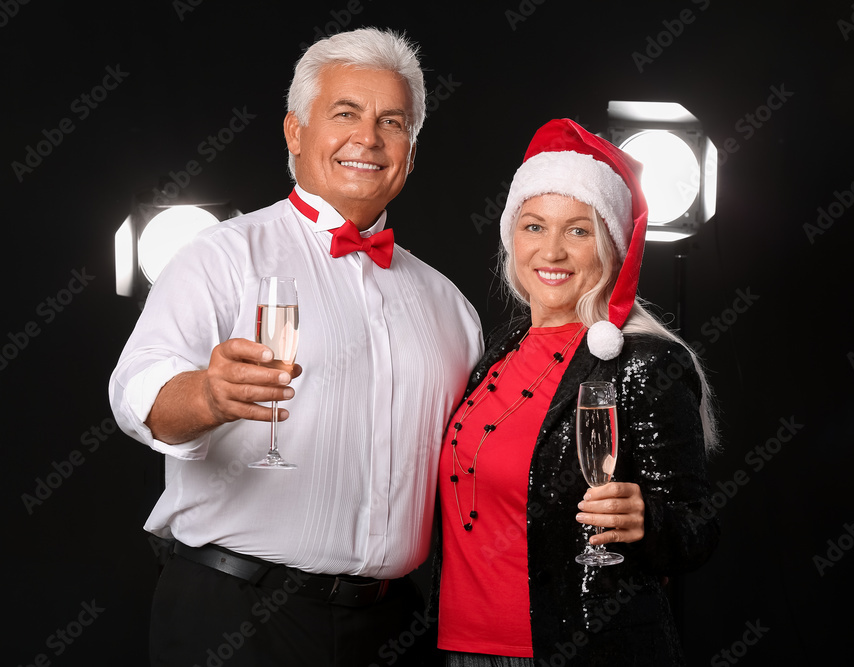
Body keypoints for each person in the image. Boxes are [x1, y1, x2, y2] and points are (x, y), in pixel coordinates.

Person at [109, 28, 483, 666]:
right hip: (237, 617)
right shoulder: (221, 256)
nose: (368, 138)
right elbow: (135, 389)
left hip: (395, 628)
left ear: (410, 153)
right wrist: (206, 393)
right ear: (294, 132)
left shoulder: (451, 308)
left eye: (391, 122)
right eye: (345, 114)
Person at [431, 118, 720, 666]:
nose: (553, 251)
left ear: (610, 245)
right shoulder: (498, 352)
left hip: (576, 651)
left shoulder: (644, 362)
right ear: (511, 237)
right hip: (456, 649)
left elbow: (698, 527)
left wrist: (648, 521)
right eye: (534, 227)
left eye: (579, 231)